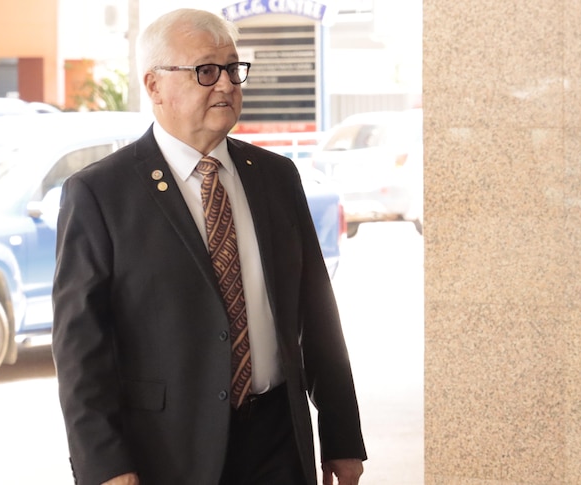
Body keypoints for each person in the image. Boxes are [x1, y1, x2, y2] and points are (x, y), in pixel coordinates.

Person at [51, 8, 366, 485]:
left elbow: (318, 315)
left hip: (279, 441)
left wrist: (341, 436)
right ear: (154, 86)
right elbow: (80, 350)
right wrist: (106, 465)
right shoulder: (99, 194)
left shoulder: (277, 177)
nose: (226, 85)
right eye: (205, 71)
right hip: (170, 450)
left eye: (233, 70)